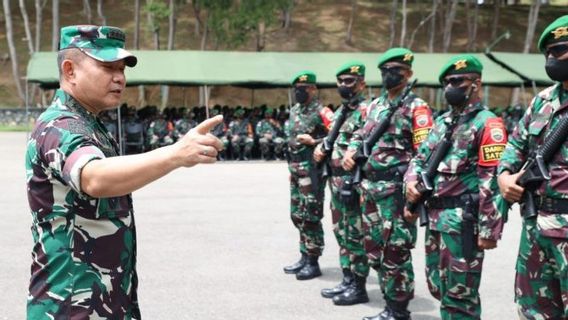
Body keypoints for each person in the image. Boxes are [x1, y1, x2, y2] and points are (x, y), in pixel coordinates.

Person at [25, 25, 223, 319]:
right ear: (70, 71)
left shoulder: (91, 124)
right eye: (107, 67)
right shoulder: (59, 125)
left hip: (104, 301)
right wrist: (175, 153)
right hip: (69, 307)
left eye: (121, 69)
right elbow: (94, 176)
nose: (119, 78)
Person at [404, 54, 507, 320]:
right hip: (436, 219)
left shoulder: (487, 123)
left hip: (463, 223)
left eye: (458, 81)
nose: (451, 87)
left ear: (476, 84)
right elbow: (420, 157)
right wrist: (411, 182)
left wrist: (489, 230)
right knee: (438, 286)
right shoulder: (442, 123)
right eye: (447, 82)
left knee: (461, 296)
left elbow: (491, 181)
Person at [343, 48, 433, 319]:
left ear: (408, 74)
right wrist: (351, 150)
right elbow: (360, 133)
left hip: (395, 192)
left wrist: (414, 194)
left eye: (396, 70)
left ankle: (398, 309)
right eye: (385, 70)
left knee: (395, 252)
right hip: (369, 189)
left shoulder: (418, 108)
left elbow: (425, 151)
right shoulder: (374, 105)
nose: (389, 75)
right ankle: (388, 301)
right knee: (374, 251)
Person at [497, 15, 568, 320]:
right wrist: (504, 177)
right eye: (549, 52)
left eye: (562, 49)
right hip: (536, 225)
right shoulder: (542, 101)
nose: (554, 57)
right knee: (534, 310)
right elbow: (515, 146)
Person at [314, 61, 370, 305]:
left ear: (362, 84)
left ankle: (358, 286)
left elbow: (367, 145)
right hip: (335, 181)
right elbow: (333, 139)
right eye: (342, 81)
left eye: (350, 81)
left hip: (352, 181)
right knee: (342, 231)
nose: (345, 86)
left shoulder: (367, 111)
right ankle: (347, 279)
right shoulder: (340, 111)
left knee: (355, 233)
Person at [284, 70, 333, 280]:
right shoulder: (294, 110)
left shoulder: (323, 112)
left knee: (311, 214)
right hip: (296, 170)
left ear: (313, 89)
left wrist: (314, 142)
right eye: (297, 90)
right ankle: (304, 256)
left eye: (303, 89)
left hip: (313, 171)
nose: (299, 93)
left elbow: (337, 137)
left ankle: (313, 261)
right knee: (297, 214)